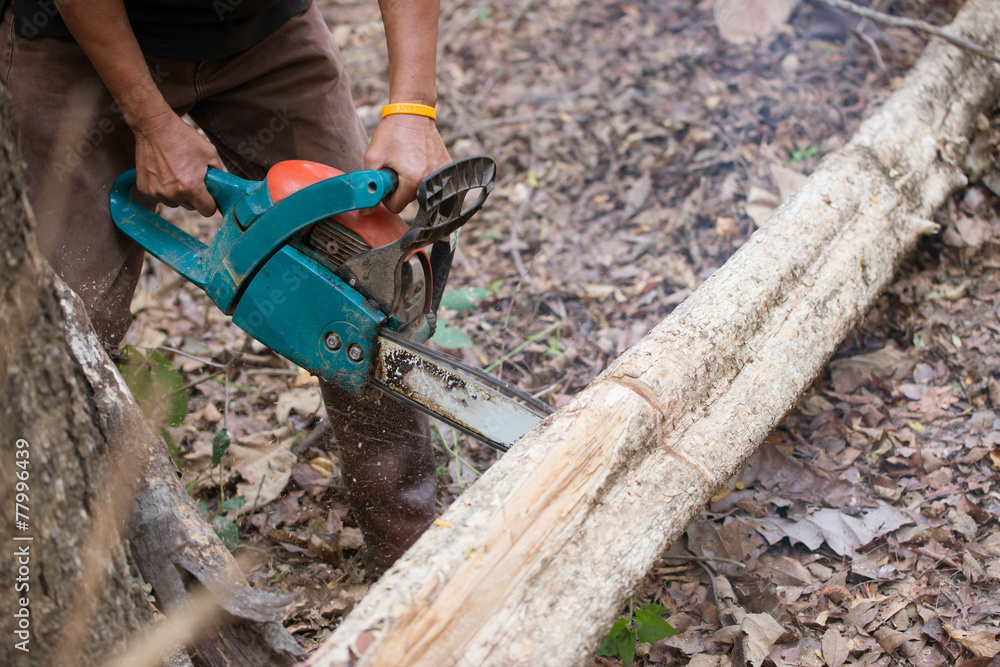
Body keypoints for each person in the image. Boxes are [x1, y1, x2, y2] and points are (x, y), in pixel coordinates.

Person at [1, 0, 451, 574]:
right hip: (76, 40)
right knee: (65, 325)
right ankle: (49, 577)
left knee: (366, 279)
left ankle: (413, 557)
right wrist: (151, 121)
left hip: (264, 32)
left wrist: (413, 108)